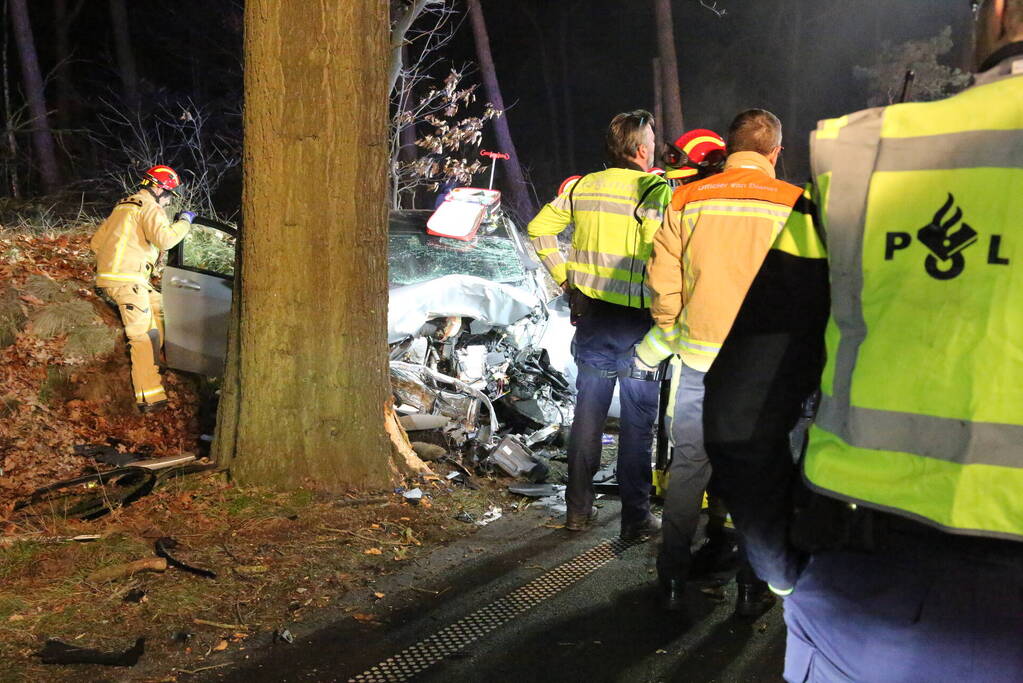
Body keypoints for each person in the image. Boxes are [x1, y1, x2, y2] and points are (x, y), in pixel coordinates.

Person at [783, 2, 1023, 680]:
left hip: (872, 586)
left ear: (999, 13)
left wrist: (779, 566)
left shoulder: (860, 155)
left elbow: (745, 408)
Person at [635, 110, 827, 611]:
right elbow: (812, 291)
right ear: (775, 153)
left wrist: (670, 331)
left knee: (689, 468)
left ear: (727, 147)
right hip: (767, 368)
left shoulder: (688, 197)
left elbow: (665, 279)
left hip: (698, 356)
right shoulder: (797, 204)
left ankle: (673, 577)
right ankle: (752, 586)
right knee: (761, 473)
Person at [528, 110, 671, 540]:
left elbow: (539, 230)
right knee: (636, 425)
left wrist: (566, 279)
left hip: (592, 321)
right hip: (638, 326)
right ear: (642, 149)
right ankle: (635, 519)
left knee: (587, 418)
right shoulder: (654, 187)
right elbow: (657, 252)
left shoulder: (583, 186)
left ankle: (577, 511)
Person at [91, 165, 195, 413]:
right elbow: (166, 239)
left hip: (126, 279)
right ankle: (150, 397)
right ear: (159, 188)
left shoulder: (124, 205)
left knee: (161, 308)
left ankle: (156, 361)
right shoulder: (151, 207)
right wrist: (184, 221)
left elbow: (96, 243)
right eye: (170, 194)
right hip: (127, 281)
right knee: (142, 338)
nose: (170, 200)